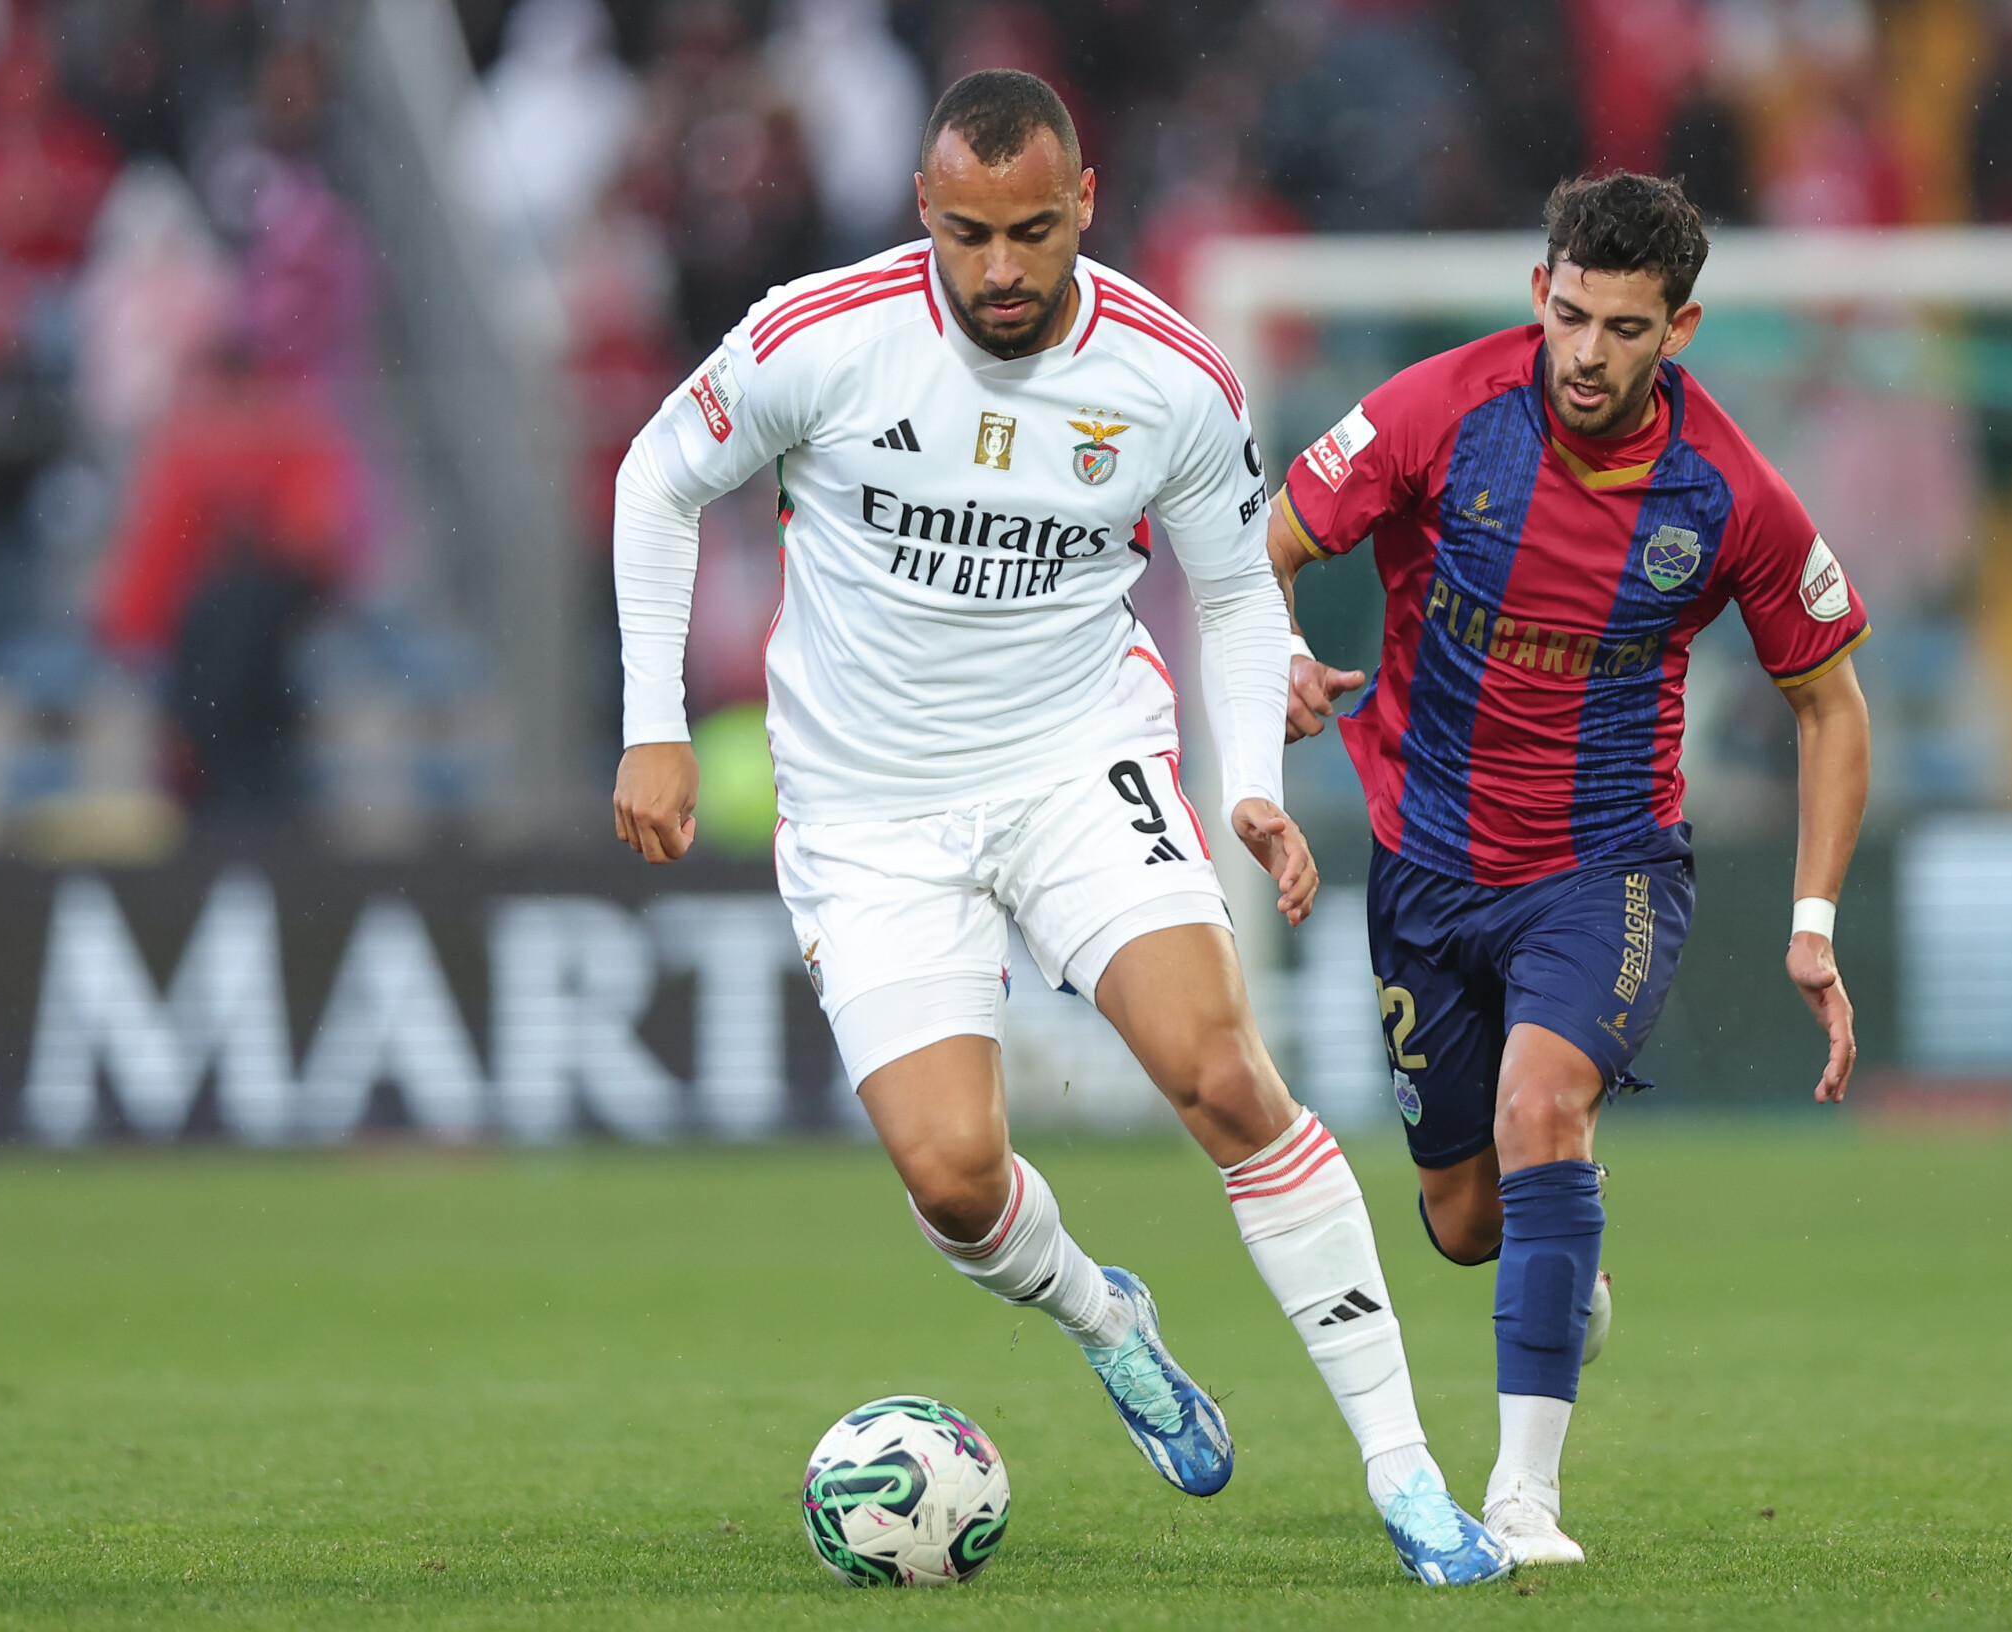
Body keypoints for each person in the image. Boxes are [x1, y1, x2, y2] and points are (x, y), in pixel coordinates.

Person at [610, 70, 1508, 1586]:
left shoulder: (1168, 377)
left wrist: (1249, 796)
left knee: (1223, 1076)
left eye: (1034, 231)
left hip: (1072, 761)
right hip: (868, 810)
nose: (1004, 270)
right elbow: (656, 477)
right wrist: (649, 720)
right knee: (954, 1178)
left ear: (1084, 204)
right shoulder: (815, 336)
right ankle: (1110, 1320)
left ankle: (1409, 1475)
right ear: (924, 214)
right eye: (969, 234)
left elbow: (1234, 595)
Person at [1271, 172, 1871, 1565]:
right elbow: (1269, 545)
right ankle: (1565, 1273)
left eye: (1623, 326)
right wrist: (1279, 656)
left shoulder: (1730, 494)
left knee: (1546, 1108)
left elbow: (1830, 702)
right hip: (1423, 866)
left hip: (1601, 870)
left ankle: (1522, 1495)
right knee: (1461, 1219)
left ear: (1684, 327)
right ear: (1538, 293)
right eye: (1568, 315)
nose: (1587, 353)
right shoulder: (1438, 411)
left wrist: (1812, 921)